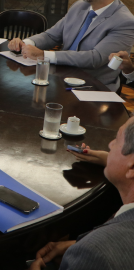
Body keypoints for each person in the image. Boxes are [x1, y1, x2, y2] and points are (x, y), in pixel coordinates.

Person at [28, 116, 134, 270]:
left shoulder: (95, 253)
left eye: (117, 140)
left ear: (132, 168)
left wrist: (84, 250)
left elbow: (105, 252)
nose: (110, 144)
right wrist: (77, 244)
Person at [8, 0, 134, 92]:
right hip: (62, 79)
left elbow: (95, 58)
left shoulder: (125, 21)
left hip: (93, 88)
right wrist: (25, 44)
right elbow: (52, 35)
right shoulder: (79, 6)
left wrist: (43, 55)